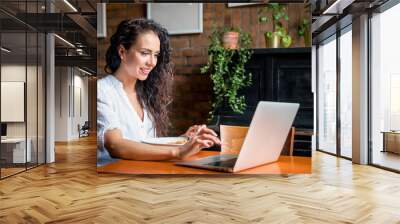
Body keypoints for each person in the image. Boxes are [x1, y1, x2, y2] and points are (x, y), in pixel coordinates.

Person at [97, 18, 220, 165]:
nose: (152, 62)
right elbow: (115, 145)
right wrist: (178, 152)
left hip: (143, 174)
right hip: (112, 178)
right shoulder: (102, 91)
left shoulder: (145, 94)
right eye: (144, 53)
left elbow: (145, 145)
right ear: (122, 52)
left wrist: (183, 140)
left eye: (155, 55)